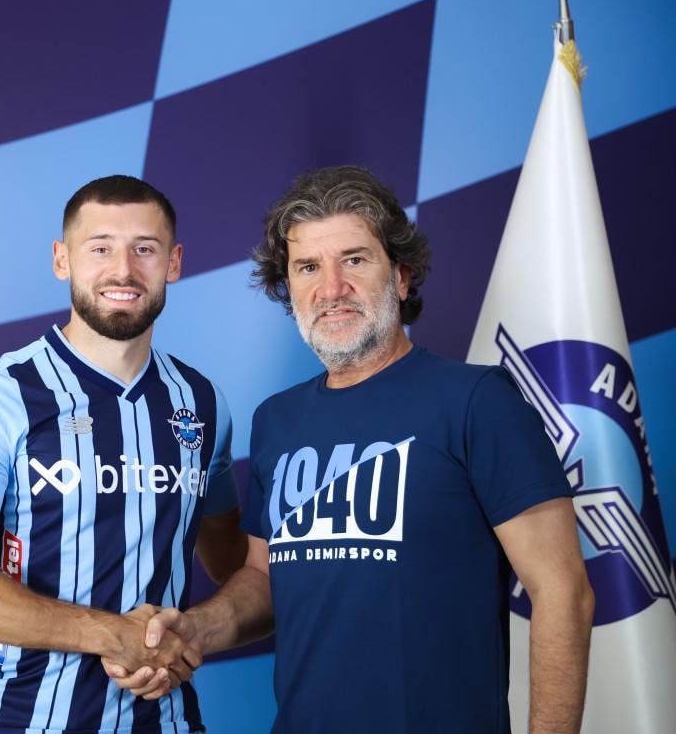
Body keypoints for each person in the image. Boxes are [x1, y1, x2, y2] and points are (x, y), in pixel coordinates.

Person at [108, 166, 595, 733]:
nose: (332, 288)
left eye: (355, 260)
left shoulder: (477, 400)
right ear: (288, 287)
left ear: (402, 277)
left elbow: (563, 592)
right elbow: (265, 579)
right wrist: (195, 629)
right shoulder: (277, 420)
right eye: (308, 267)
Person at [0, 175, 246, 734]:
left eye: (145, 249)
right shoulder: (4, 392)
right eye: (100, 249)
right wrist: (112, 634)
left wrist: (184, 633)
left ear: (174, 263)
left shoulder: (203, 403)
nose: (123, 270)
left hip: (165, 721)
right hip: (19, 721)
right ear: (62, 260)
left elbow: (235, 564)